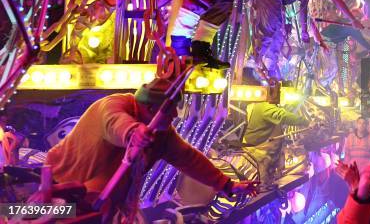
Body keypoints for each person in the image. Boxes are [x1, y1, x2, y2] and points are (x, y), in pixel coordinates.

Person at [45, 78, 258, 216]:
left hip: (100, 205)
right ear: (148, 108)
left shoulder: (161, 134)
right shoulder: (112, 105)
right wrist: (133, 132)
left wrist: (228, 185)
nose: (174, 116)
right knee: (28, 216)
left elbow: (189, 158)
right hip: (59, 188)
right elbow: (114, 122)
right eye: (170, 110)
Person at [255, 0, 364, 81]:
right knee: (271, 30)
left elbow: (303, 9)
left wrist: (306, 35)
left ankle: (268, 70)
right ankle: (255, 63)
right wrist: (353, 20)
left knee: (278, 36)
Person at [241, 88, 310, 188]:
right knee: (260, 182)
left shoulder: (261, 106)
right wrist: (305, 121)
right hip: (259, 152)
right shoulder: (266, 108)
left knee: (264, 177)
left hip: (263, 153)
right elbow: (283, 116)